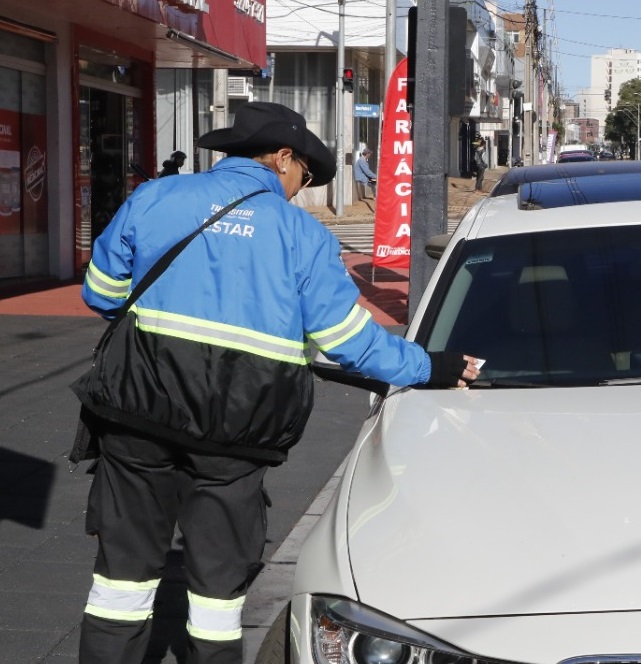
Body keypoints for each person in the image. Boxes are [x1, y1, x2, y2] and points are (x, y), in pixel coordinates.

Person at [76, 102, 481, 664]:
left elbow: (99, 292)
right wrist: (431, 367)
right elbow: (350, 342)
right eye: (305, 176)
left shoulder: (155, 198)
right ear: (283, 158)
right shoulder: (303, 236)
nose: (300, 188)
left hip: (135, 415)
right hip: (235, 434)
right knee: (217, 596)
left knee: (119, 586)